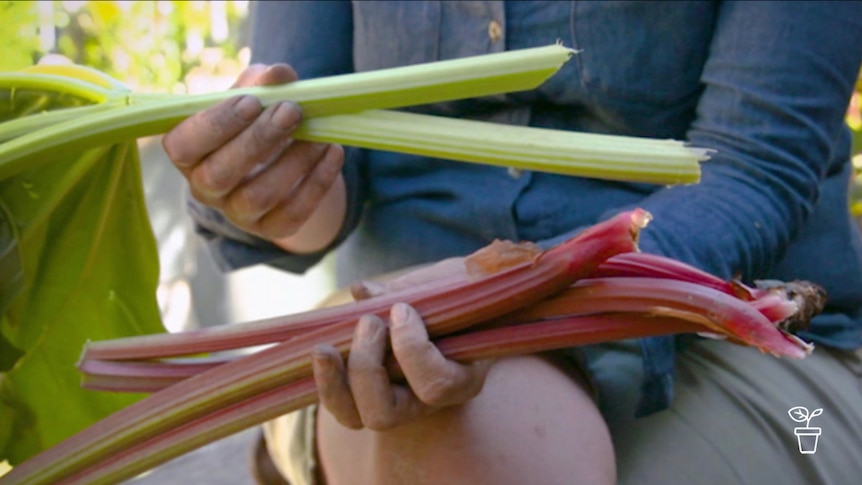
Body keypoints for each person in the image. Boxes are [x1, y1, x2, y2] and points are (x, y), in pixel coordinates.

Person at [162, 2, 862, 484]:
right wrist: (265, 186)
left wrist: (497, 293)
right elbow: (320, 165)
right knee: (443, 422)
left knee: (467, 427)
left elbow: (755, 168)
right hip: (392, 344)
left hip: (744, 341)